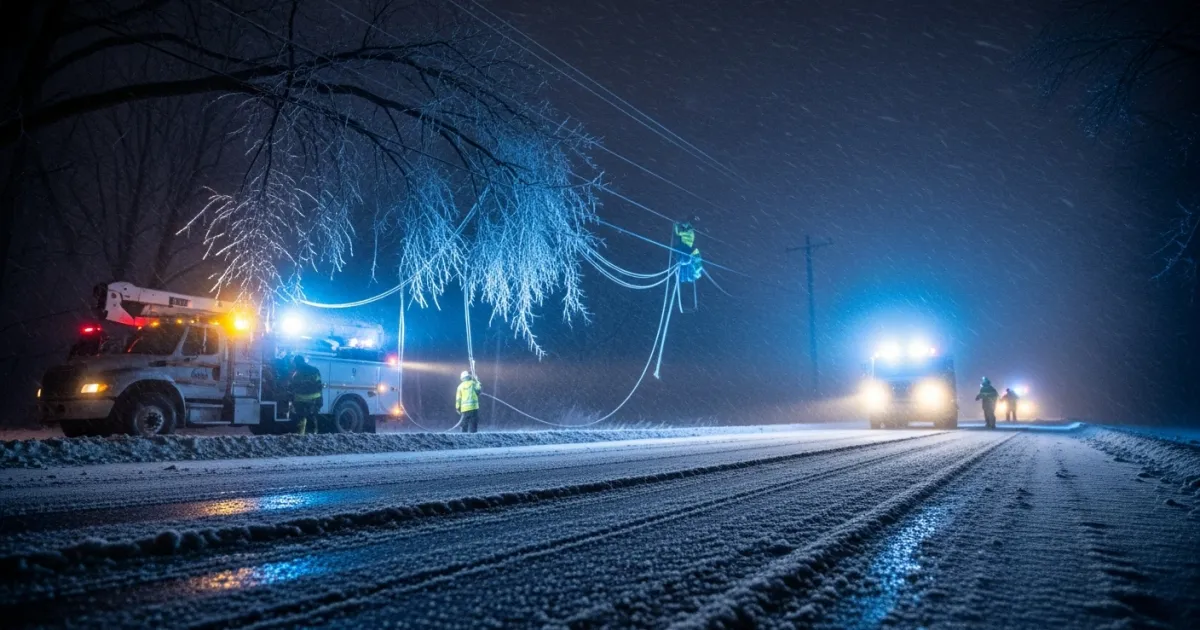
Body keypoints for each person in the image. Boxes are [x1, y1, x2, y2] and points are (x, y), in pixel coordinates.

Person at [288, 355, 323, 435]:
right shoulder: (315, 370)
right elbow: (319, 385)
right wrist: (320, 400)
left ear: (296, 363)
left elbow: (292, 387)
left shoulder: (297, 373)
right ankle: (313, 435)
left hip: (300, 400)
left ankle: (301, 436)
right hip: (315, 399)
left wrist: (291, 399)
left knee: (301, 418)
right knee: (312, 417)